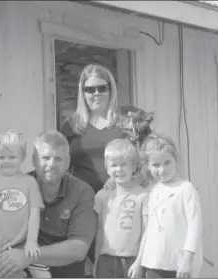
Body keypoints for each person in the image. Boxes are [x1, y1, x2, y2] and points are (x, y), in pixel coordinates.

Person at [0, 130, 97, 278]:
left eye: (58, 159)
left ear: (67, 163)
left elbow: (79, 249)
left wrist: (27, 256)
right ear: (34, 160)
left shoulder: (82, 192)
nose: (51, 164)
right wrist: (2, 264)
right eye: (45, 158)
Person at [58, 63, 124, 275]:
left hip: (121, 204)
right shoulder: (71, 125)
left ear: (110, 89)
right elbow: (60, 164)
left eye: (101, 88)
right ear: (82, 92)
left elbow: (144, 159)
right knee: (86, 264)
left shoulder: (125, 122)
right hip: (84, 206)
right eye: (89, 89)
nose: (96, 93)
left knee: (117, 262)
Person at [129, 133, 203, 279]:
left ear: (175, 160)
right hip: (153, 263)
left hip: (178, 265)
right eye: (156, 165)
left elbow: (195, 227)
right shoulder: (152, 190)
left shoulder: (185, 189)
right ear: (148, 166)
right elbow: (148, 231)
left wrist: (187, 260)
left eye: (167, 162)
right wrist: (139, 262)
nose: (162, 170)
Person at [0, 129, 44, 278]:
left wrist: (31, 241)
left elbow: (34, 214)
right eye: (1, 157)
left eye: (12, 157)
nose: (6, 161)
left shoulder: (29, 182)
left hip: (21, 245)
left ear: (22, 157)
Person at [93, 139, 149, 278]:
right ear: (107, 167)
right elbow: (99, 230)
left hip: (133, 260)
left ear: (134, 166)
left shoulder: (143, 195)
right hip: (106, 259)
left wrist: (139, 263)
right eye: (114, 165)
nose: (119, 169)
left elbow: (146, 232)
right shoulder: (101, 196)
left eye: (124, 164)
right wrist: (96, 261)